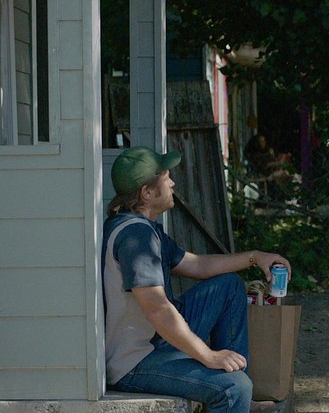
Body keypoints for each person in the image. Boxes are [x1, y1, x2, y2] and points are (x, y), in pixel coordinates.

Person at [102, 146, 292, 413]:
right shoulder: (136, 237)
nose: (172, 183)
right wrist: (208, 356)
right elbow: (157, 309)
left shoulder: (141, 227)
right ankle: (236, 396)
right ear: (147, 193)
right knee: (233, 387)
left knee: (228, 286)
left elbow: (198, 265)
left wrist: (255, 257)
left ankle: (240, 399)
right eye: (166, 178)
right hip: (135, 362)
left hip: (157, 341)